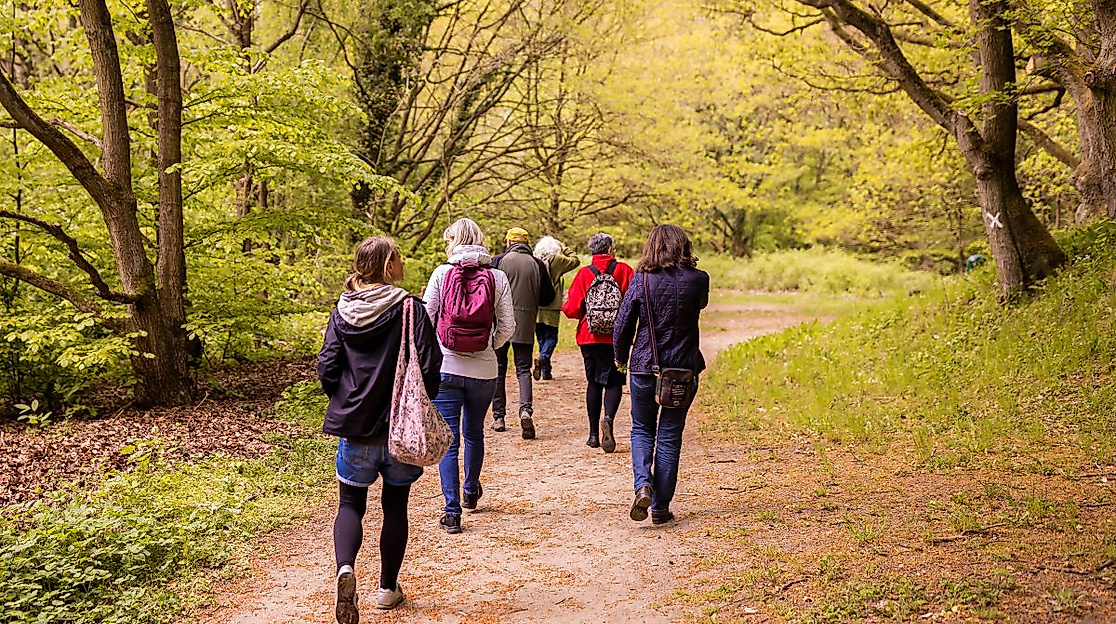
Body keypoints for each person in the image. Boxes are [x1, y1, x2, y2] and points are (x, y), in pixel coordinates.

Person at [318, 237, 443, 621]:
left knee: (350, 504)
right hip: (399, 430)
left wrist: (344, 398)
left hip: (355, 428)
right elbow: (430, 363)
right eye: (398, 257)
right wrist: (420, 404)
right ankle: (388, 588)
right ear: (388, 265)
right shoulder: (409, 308)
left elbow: (327, 366)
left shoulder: (341, 311)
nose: (402, 263)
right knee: (395, 506)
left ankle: (345, 569)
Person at [424, 218, 515, 534]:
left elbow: (426, 318)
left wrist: (439, 348)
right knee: (474, 433)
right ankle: (470, 491)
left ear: (453, 241)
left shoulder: (441, 274)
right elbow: (508, 326)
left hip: (446, 368)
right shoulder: (497, 277)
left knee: (449, 441)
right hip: (484, 370)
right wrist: (488, 345)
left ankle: (451, 512)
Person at [614, 225, 709, 526]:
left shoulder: (641, 280)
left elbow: (623, 322)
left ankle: (643, 485)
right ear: (684, 247)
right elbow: (701, 305)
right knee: (669, 435)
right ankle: (660, 508)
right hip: (682, 370)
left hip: (645, 366)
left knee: (642, 429)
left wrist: (619, 356)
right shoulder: (699, 280)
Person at [562, 233, 634, 453]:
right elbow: (634, 304)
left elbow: (572, 309)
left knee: (593, 383)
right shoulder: (624, 271)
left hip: (589, 337)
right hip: (617, 338)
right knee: (614, 383)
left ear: (592, 250)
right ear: (611, 249)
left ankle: (593, 435)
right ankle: (609, 419)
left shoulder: (584, 274)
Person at [491, 227, 555, 438]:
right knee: (523, 369)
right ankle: (525, 411)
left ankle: (498, 417)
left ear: (509, 242)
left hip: (499, 323)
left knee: (499, 369)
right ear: (527, 243)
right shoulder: (538, 264)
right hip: (526, 323)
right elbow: (548, 298)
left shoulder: (498, 261)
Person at [533, 236, 581, 381]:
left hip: (536, 305)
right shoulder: (557, 260)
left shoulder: (533, 259)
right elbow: (575, 260)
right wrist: (564, 247)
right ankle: (543, 358)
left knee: (541, 337)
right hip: (552, 306)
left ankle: (546, 371)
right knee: (551, 337)